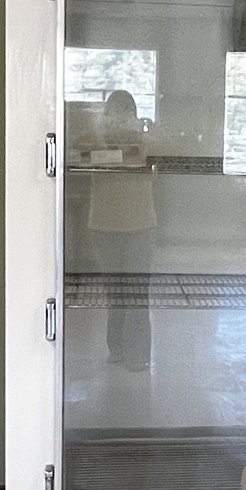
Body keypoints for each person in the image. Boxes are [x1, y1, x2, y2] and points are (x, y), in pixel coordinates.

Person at [87, 90, 156, 369]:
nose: (122, 116)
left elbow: (157, 154)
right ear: (106, 115)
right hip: (104, 226)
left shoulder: (146, 136)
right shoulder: (94, 137)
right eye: (116, 111)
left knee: (138, 291)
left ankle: (138, 355)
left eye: (127, 110)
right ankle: (116, 349)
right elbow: (89, 157)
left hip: (141, 225)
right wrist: (117, 148)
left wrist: (141, 136)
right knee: (114, 292)